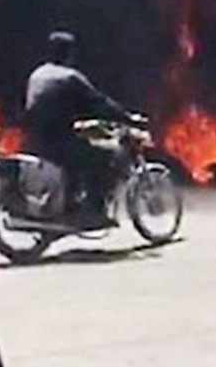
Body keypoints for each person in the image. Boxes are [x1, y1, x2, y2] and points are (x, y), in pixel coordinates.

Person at [24, 30, 137, 224]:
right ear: (69, 53)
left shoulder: (38, 74)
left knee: (79, 156)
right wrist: (128, 118)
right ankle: (94, 211)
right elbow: (99, 102)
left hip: (35, 140)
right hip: (58, 140)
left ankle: (72, 202)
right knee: (105, 157)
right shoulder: (70, 77)